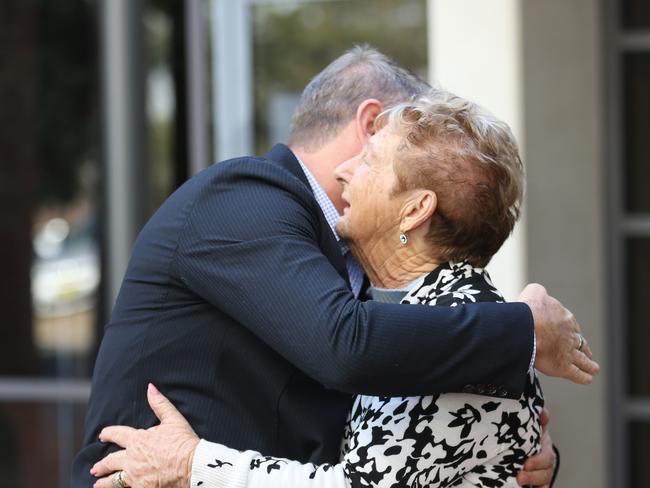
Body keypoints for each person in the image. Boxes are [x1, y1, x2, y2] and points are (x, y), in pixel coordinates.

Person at [75, 46, 598, 488]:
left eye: (375, 160)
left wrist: (515, 458)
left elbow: (393, 439)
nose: (352, 170)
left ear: (417, 207)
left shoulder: (420, 299)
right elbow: (347, 348)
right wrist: (523, 328)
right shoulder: (244, 198)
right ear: (368, 124)